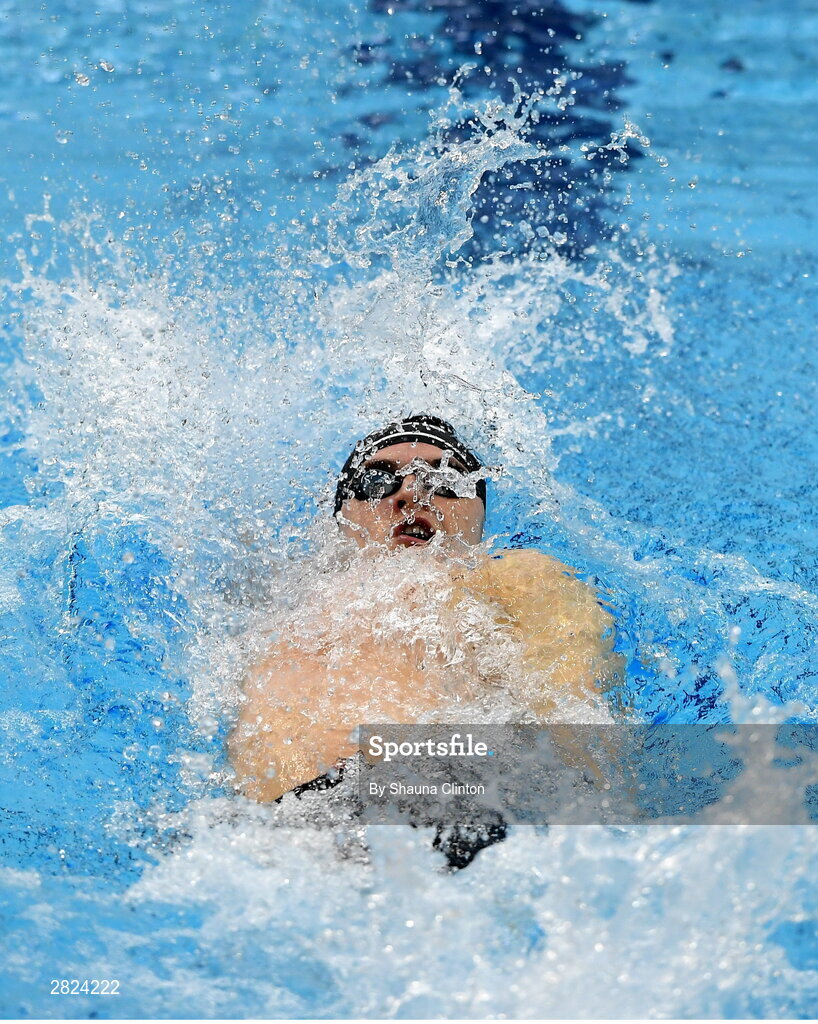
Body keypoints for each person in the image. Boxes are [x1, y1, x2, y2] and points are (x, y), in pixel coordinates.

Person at [228, 414, 623, 862]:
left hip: (467, 794)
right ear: (344, 518)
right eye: (377, 481)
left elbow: (582, 746)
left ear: (478, 516)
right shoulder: (284, 629)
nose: (412, 494)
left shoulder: (522, 580)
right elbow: (259, 784)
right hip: (304, 827)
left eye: (444, 479)